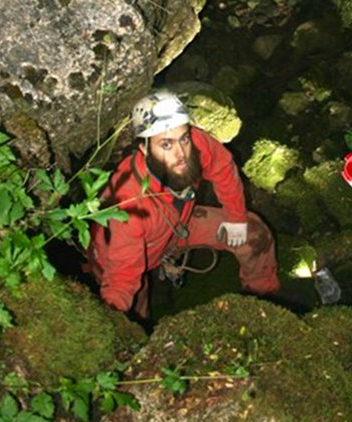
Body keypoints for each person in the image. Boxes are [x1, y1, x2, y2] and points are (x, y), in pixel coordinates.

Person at [87, 89, 280, 319]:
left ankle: (266, 306)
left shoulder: (194, 145)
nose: (181, 153)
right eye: (166, 145)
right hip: (125, 255)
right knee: (135, 312)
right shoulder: (128, 205)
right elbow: (121, 280)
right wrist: (111, 320)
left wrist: (236, 219)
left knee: (252, 233)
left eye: (183, 139)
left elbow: (222, 168)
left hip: (176, 225)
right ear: (144, 149)